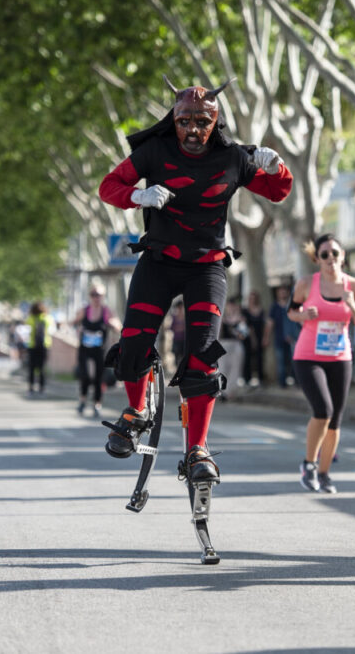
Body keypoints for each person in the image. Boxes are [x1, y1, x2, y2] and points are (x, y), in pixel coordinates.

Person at [97, 75, 292, 482]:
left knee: (203, 354)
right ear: (174, 119)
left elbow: (276, 192)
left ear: (215, 122)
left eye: (202, 121)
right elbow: (108, 186)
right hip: (159, 260)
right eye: (185, 120)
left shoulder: (236, 159)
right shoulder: (154, 152)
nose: (192, 130)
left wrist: (278, 166)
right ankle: (135, 411)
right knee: (133, 342)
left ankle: (197, 449)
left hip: (207, 265)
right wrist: (137, 196)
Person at [289, 234, 355, 494]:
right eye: (324, 254)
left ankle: (324, 474)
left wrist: (351, 305)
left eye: (335, 253)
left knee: (335, 420)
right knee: (322, 410)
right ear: (317, 259)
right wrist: (303, 314)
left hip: (340, 357)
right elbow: (291, 312)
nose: (331, 258)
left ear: (343, 255)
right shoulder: (306, 283)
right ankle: (309, 464)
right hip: (308, 356)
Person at [74, 283, 120, 417]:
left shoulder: (106, 311)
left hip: (100, 349)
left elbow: (118, 325)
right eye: (93, 294)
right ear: (90, 296)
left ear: (103, 296)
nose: (96, 297)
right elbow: (74, 322)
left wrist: (113, 324)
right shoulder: (85, 310)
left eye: (98, 295)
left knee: (99, 377)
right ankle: (82, 400)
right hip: (84, 348)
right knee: (85, 375)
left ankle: (97, 404)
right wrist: (76, 328)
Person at [269, 285, 300, 388]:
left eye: (284, 291)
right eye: (280, 292)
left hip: (294, 339)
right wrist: (266, 337)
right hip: (279, 339)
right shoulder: (274, 307)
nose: (282, 294)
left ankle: (297, 382)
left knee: (295, 362)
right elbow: (270, 323)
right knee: (281, 363)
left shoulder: (293, 306)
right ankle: (282, 384)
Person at [219, 296, 248, 400]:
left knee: (235, 368)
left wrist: (238, 331)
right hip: (224, 344)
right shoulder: (221, 318)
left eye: (233, 305)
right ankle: (221, 391)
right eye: (229, 305)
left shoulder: (241, 319)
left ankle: (229, 392)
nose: (231, 307)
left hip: (236, 344)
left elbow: (243, 335)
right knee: (222, 368)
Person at [242, 291, 270, 387]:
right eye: (251, 298)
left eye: (254, 298)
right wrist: (253, 340)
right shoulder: (244, 311)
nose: (252, 300)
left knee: (260, 359)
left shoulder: (262, 310)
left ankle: (260, 379)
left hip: (260, 337)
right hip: (248, 337)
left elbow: (266, 324)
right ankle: (247, 379)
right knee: (247, 358)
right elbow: (248, 327)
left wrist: (265, 337)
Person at [26, 301, 54, 396]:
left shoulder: (30, 319)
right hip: (44, 345)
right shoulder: (47, 318)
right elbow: (52, 331)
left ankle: (31, 388)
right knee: (42, 368)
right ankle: (42, 388)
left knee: (32, 368)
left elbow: (26, 332)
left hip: (32, 345)